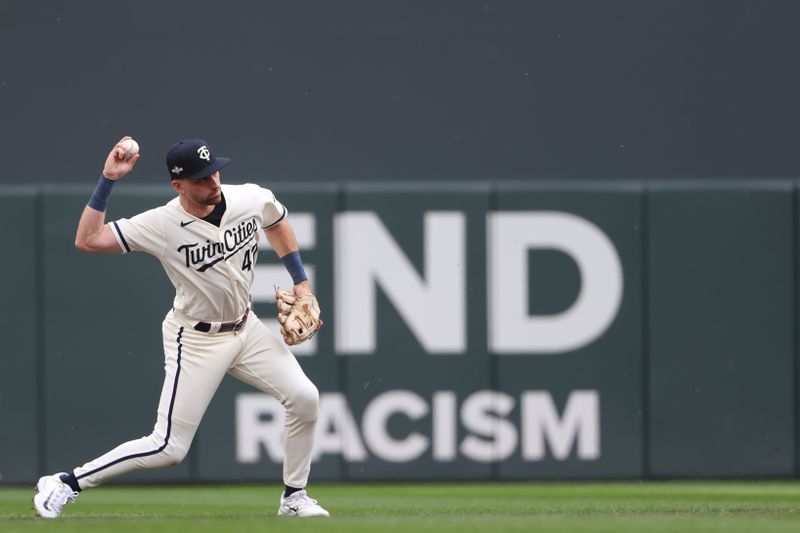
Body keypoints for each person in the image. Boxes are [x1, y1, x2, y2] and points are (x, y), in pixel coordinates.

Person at [32, 136, 329, 519]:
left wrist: (300, 280)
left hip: (246, 327)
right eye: (202, 178)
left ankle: (294, 498)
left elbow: (277, 221)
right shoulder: (161, 223)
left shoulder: (249, 198)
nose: (213, 182)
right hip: (196, 338)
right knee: (168, 448)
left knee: (305, 399)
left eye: (215, 171)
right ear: (179, 185)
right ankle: (65, 482)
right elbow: (87, 240)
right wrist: (108, 180)